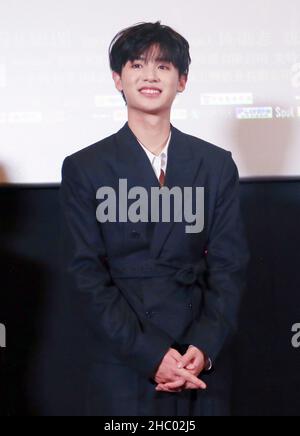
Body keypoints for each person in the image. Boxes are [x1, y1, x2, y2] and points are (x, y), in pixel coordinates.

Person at [59, 21, 250, 416]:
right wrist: (151, 354)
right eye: (136, 65)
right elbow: (86, 273)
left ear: (182, 81)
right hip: (125, 362)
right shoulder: (86, 167)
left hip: (199, 362)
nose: (150, 76)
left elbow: (230, 266)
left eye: (163, 66)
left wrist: (204, 347)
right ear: (117, 78)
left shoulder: (214, 165)